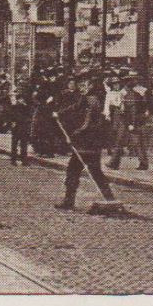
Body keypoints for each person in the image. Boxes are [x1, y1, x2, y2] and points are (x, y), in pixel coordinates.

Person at [51, 73, 113, 211]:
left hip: (84, 143)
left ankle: (68, 201)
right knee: (96, 172)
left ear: (91, 85)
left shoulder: (90, 99)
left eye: (87, 83)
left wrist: (75, 133)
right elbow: (75, 108)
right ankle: (110, 198)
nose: (84, 86)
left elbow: (86, 121)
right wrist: (60, 113)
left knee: (73, 170)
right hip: (95, 143)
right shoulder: (98, 98)